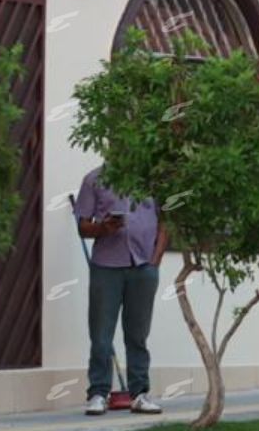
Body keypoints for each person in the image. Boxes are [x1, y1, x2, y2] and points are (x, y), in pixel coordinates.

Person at [75, 166, 167, 416]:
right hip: (106, 266)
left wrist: (155, 260)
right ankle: (98, 394)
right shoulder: (93, 179)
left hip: (143, 266)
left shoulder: (151, 178)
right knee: (101, 335)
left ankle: (139, 394)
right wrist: (104, 228)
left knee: (138, 335)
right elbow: (83, 226)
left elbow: (165, 222)